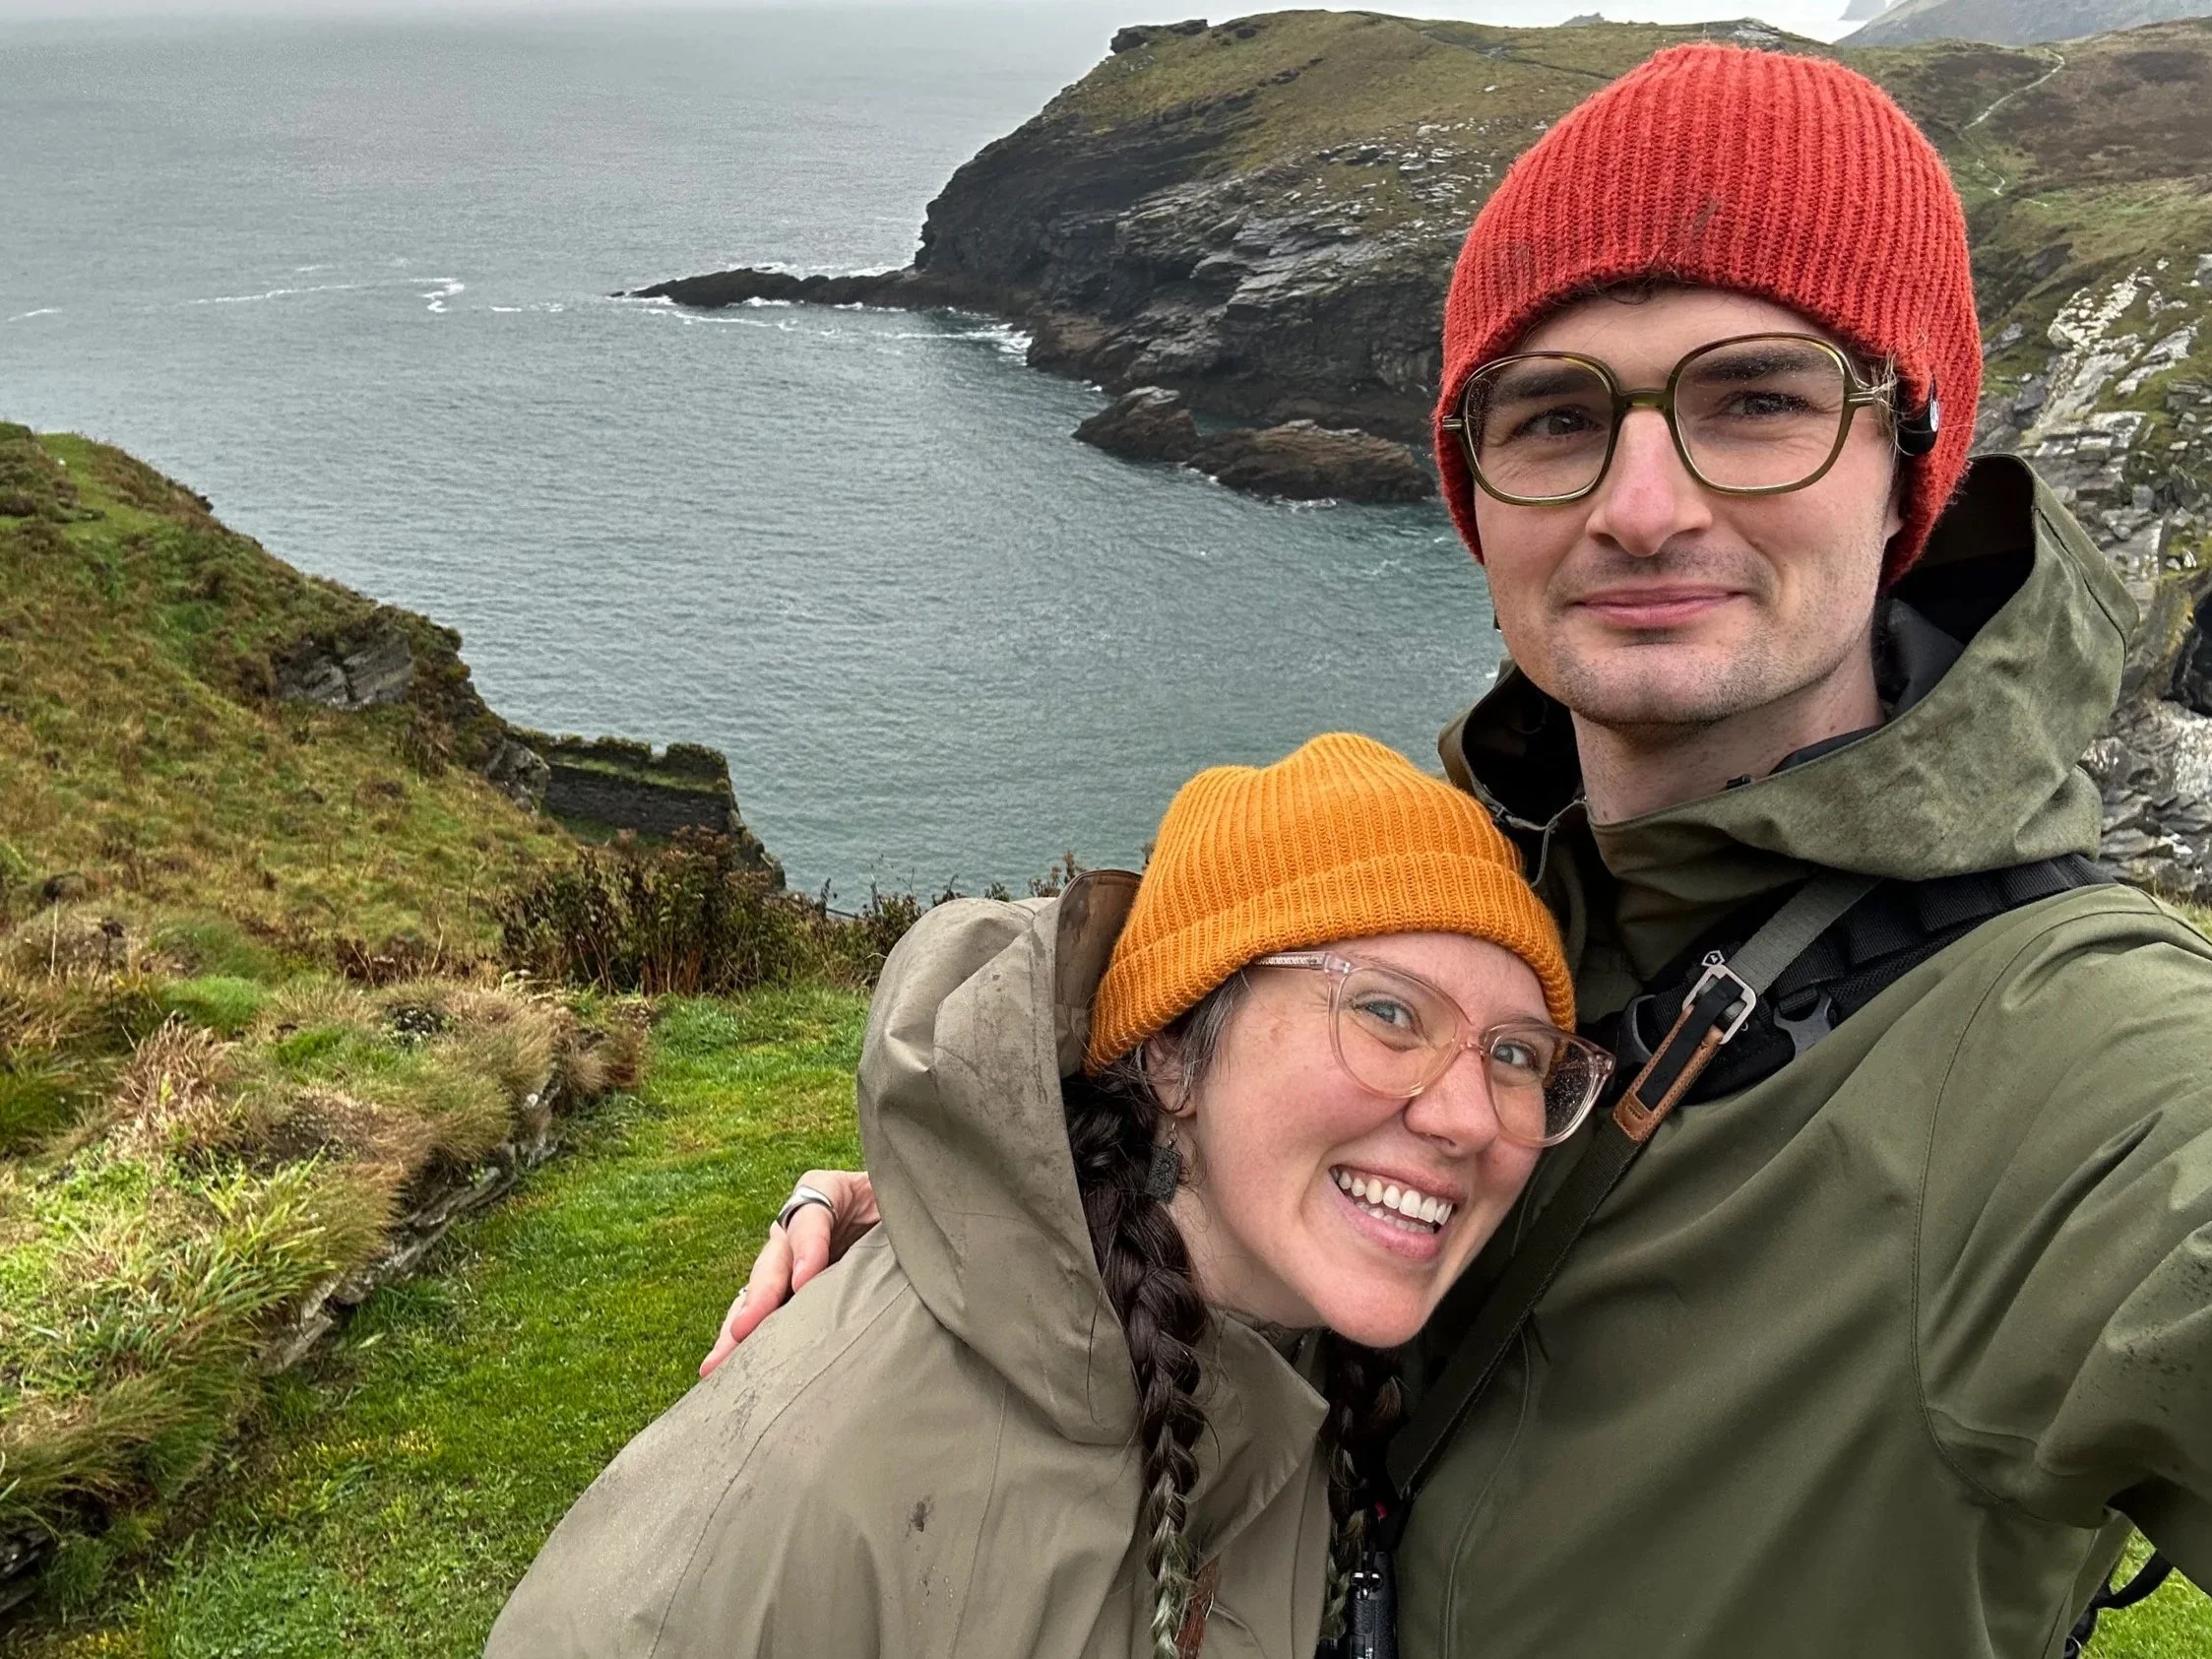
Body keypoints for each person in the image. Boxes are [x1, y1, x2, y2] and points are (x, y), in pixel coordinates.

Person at [707, 43, 2212, 1656]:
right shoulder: (1467, 887)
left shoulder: (2073, 1061)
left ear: (1904, 461)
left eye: (1758, 400)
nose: (1641, 504)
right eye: (1557, 416)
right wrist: (1010, 1226)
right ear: (1472, 492)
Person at [486, 734, 1609, 1658]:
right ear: (1172, 1051)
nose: (1468, 1115)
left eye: (1516, 1053)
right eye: (1388, 1012)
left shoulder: (1310, 1364)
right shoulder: (794, 1503)